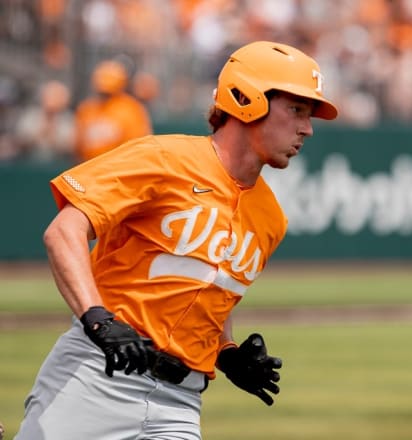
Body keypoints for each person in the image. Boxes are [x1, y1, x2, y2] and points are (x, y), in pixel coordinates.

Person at [15, 41, 338, 439]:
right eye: (297, 110)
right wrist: (97, 318)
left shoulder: (271, 217)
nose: (307, 128)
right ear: (246, 99)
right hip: (95, 378)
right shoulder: (163, 159)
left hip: (180, 404)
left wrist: (227, 353)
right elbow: (63, 231)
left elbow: (206, 286)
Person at [73, 59, 153, 162]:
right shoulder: (87, 109)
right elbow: (77, 148)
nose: (105, 94)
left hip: (119, 169)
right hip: (90, 169)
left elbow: (138, 147)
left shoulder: (131, 109)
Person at [15, 79, 75, 161]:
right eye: (50, 95)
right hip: (29, 161)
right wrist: (41, 132)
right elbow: (21, 140)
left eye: (57, 96)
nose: (53, 99)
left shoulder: (68, 119)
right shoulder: (31, 115)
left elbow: (70, 146)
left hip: (59, 163)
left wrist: (52, 132)